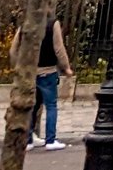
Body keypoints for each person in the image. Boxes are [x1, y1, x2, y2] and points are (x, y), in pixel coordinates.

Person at [9, 15, 73, 151]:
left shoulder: (25, 22)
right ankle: (50, 139)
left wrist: (18, 67)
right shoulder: (52, 24)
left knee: (32, 105)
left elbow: (13, 49)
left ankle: (28, 140)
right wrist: (66, 67)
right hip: (48, 71)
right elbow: (58, 48)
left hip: (30, 72)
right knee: (51, 105)